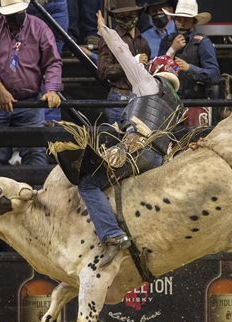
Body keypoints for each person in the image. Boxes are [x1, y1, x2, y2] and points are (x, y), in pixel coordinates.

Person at [76, 11, 183, 267]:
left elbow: (122, 53)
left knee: (88, 184)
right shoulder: (176, 102)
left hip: (138, 150)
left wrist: (104, 31)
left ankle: (112, 235)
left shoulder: (147, 83)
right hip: (159, 160)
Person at [0, 0, 62, 166]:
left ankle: (35, 191)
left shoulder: (39, 28)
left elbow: (53, 61)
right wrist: (0, 89)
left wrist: (51, 89)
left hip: (29, 100)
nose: (13, 16)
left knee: (35, 155)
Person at [158, 0, 220, 128]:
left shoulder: (202, 42)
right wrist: (172, 49)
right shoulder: (167, 41)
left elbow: (214, 75)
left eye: (186, 19)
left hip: (195, 103)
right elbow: (156, 70)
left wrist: (189, 68)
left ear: (194, 21)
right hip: (169, 104)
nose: (181, 23)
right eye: (178, 19)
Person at [97, 0, 151, 125]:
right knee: (118, 139)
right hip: (120, 98)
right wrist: (133, 62)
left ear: (136, 14)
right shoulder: (108, 39)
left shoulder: (142, 41)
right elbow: (103, 71)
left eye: (129, 15)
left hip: (140, 97)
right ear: (116, 17)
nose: (125, 19)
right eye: (121, 16)